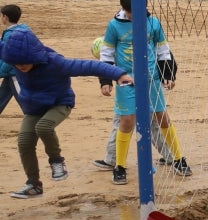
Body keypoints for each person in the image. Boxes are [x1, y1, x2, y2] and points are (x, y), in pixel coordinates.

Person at [2, 28, 131, 199]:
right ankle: (33, 184)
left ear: (34, 56)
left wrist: (119, 74)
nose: (20, 66)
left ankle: (57, 162)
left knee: (44, 127)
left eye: (25, 62)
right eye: (16, 64)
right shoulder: (12, 55)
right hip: (33, 107)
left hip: (60, 103)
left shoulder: (55, 62)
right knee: (24, 142)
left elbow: (89, 65)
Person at [101, 0, 190, 185]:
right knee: (127, 120)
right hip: (126, 80)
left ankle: (178, 159)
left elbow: (163, 50)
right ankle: (120, 166)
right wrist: (105, 81)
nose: (137, 16)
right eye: (133, 13)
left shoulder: (153, 23)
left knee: (163, 117)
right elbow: (106, 54)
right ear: (124, 10)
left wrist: (167, 75)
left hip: (152, 80)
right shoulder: (114, 26)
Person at [0, 4, 32, 116]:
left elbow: (10, 57)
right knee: (2, 94)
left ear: (6, 17)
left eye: (2, 16)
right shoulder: (23, 30)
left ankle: (32, 117)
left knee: (22, 98)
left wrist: (1, 71)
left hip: (15, 72)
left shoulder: (11, 34)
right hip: (13, 72)